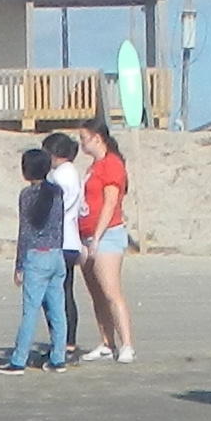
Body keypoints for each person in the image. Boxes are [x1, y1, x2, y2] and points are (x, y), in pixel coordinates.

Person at [71, 118, 136, 360]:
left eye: (84, 138)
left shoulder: (112, 164)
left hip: (107, 234)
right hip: (87, 234)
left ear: (97, 138)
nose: (81, 143)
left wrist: (97, 236)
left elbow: (110, 202)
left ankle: (127, 343)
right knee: (96, 293)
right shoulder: (93, 167)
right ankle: (107, 342)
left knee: (111, 291)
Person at [11, 142, 74, 367]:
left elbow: (25, 232)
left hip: (37, 256)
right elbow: (58, 226)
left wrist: (19, 265)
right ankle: (58, 358)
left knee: (30, 311)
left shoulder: (27, 195)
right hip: (56, 253)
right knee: (57, 310)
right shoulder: (57, 192)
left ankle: (19, 359)